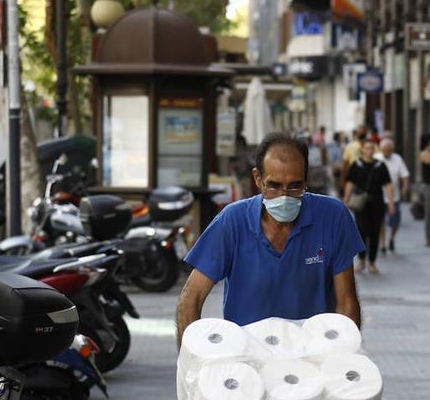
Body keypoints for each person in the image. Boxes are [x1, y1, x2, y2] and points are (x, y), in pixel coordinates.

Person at [175, 131, 365, 342]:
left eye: (294, 186)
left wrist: (345, 360)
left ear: (306, 180)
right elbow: (191, 297)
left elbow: (347, 303)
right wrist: (191, 359)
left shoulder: (333, 217)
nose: (284, 196)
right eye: (274, 185)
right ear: (258, 178)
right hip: (247, 360)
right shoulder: (232, 221)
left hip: (313, 357)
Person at [344, 138, 394, 275]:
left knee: (375, 232)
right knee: (361, 231)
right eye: (367, 148)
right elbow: (350, 183)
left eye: (372, 148)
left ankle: (372, 262)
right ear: (362, 150)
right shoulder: (357, 165)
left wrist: (391, 202)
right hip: (361, 204)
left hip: (377, 203)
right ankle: (361, 260)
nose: (369, 151)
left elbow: (388, 184)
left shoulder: (380, 166)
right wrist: (345, 200)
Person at [375, 137, 410, 254]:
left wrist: (405, 187)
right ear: (381, 149)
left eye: (389, 150)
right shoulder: (376, 159)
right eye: (385, 150)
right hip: (379, 197)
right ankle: (382, 244)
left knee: (395, 221)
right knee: (381, 222)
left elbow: (405, 175)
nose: (387, 153)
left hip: (394, 197)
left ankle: (392, 238)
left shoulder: (397, 159)